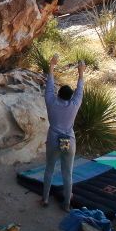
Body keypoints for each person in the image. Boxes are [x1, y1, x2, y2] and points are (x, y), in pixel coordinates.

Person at [41, 55, 86, 211]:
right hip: (69, 140)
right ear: (70, 96)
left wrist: (52, 66)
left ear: (58, 94)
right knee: (67, 173)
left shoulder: (51, 102)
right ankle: (67, 204)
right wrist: (81, 72)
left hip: (53, 138)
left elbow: (49, 85)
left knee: (49, 169)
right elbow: (80, 89)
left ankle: (45, 199)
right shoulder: (74, 104)